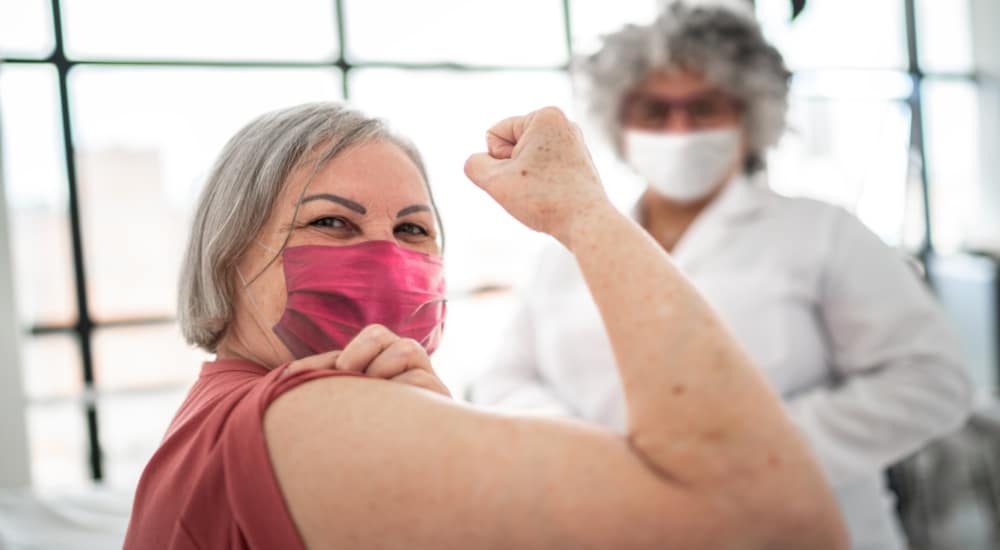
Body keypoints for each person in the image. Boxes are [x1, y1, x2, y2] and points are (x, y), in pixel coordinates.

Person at [122, 102, 847, 549]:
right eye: (331, 222)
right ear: (226, 254)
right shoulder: (305, 415)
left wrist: (421, 419)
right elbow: (771, 524)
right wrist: (583, 212)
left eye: (413, 230)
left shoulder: (225, 414)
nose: (383, 254)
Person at [469, 2, 972, 549]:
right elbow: (504, 380)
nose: (679, 128)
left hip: (801, 527)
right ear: (618, 121)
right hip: (616, 523)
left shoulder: (823, 232)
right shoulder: (562, 248)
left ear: (749, 118)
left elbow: (931, 380)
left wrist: (750, 452)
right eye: (655, 111)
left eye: (704, 108)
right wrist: (594, 455)